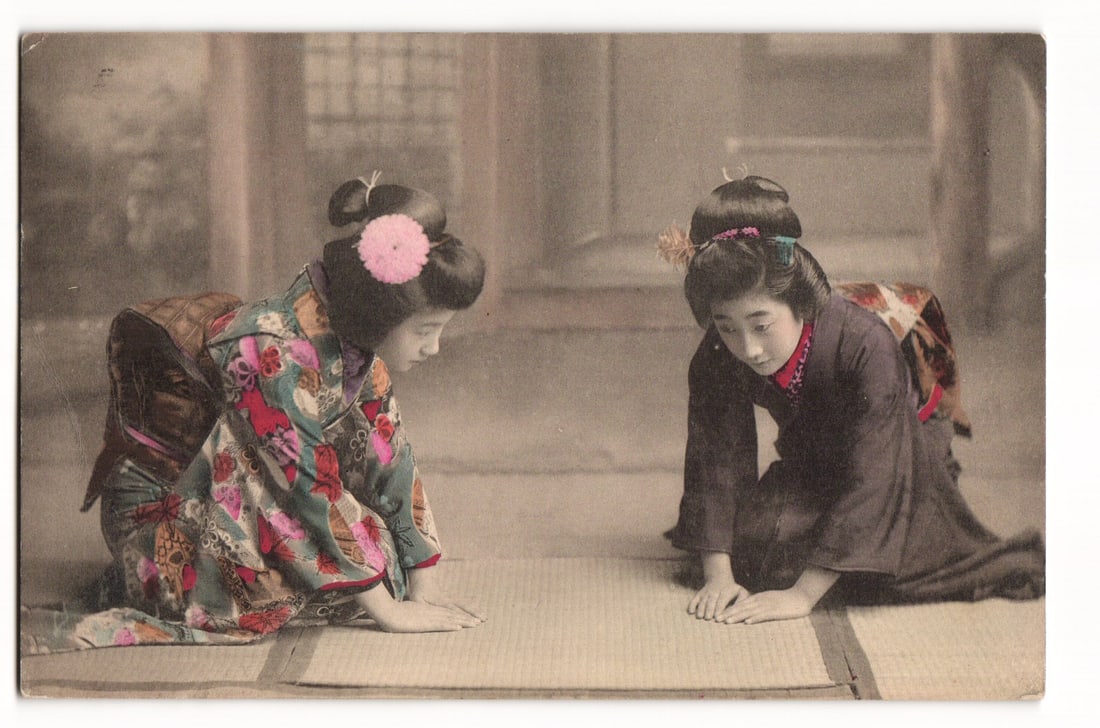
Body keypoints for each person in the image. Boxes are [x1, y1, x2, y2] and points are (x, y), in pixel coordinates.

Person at [23, 174, 487, 652]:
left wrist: (423, 581)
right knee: (278, 472)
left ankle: (312, 585)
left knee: (385, 558)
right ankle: (173, 595)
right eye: (426, 331)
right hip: (163, 525)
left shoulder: (354, 345)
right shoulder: (267, 348)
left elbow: (390, 457)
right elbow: (303, 483)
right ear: (378, 313)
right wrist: (388, 612)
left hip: (227, 507)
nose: (434, 348)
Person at [658, 174, 1044, 626]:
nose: (749, 348)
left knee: (880, 564)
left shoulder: (864, 342)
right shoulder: (720, 350)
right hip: (818, 455)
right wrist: (718, 576)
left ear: (799, 303)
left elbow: (876, 474)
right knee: (749, 549)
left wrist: (802, 597)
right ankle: (816, 549)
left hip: (901, 449)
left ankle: (849, 557)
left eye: (762, 325)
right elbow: (715, 458)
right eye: (727, 326)